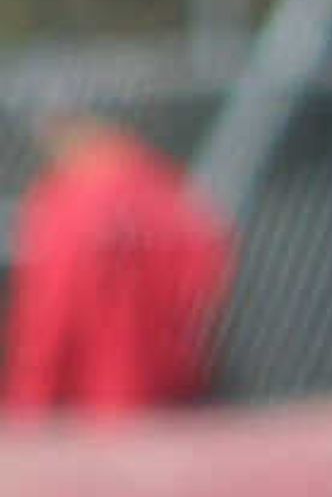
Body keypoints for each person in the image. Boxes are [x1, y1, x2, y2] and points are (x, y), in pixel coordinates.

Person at [1, 111, 236, 422]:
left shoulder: (66, 201)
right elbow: (203, 275)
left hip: (98, 395)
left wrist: (29, 402)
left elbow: (49, 317)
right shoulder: (163, 188)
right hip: (169, 385)